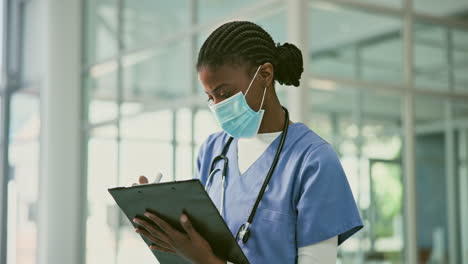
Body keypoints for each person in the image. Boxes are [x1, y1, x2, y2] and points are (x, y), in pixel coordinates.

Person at [132, 21, 363, 264]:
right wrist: (160, 223)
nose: (218, 106)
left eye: (224, 93)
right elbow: (197, 246)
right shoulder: (213, 151)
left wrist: (207, 261)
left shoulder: (313, 159)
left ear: (265, 74)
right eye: (210, 97)